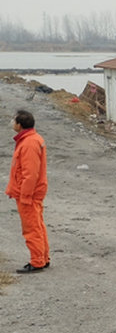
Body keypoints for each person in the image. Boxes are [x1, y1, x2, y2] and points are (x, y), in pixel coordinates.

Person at [6, 110, 50, 273]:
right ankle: (42, 258)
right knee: (37, 225)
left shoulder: (29, 143)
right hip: (33, 192)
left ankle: (37, 260)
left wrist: (25, 195)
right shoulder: (31, 139)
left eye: (14, 121)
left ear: (20, 124)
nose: (12, 123)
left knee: (31, 227)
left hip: (29, 193)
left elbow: (30, 174)